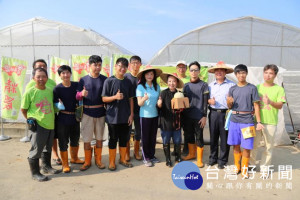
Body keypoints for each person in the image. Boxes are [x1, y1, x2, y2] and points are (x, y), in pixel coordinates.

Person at [21, 67, 60, 182]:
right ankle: (35, 173)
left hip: (50, 124)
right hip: (38, 125)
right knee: (36, 150)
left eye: (43, 76)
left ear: (47, 78)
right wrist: (30, 121)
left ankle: (46, 167)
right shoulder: (30, 92)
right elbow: (23, 109)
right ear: (33, 78)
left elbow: (52, 105)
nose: (41, 79)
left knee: (47, 148)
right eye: (38, 77)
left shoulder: (49, 90)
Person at [227, 64, 264, 178]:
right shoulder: (232, 88)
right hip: (234, 120)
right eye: (239, 73)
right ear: (235, 74)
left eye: (243, 72)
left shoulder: (252, 88)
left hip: (247, 121)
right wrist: (229, 102)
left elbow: (256, 105)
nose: (241, 75)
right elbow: (229, 106)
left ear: (246, 74)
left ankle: (244, 169)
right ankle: (237, 167)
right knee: (236, 145)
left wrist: (258, 122)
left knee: (247, 146)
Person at [250, 64, 286, 173]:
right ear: (263, 74)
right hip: (256, 122)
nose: (268, 75)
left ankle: (264, 168)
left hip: (271, 123)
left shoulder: (279, 89)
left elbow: (280, 105)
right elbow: (252, 104)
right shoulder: (257, 87)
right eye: (266, 73)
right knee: (253, 145)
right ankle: (251, 166)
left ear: (275, 75)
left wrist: (270, 102)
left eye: (271, 73)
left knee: (268, 147)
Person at [102, 57, 134, 170]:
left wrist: (131, 114)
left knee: (124, 138)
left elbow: (131, 99)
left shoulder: (128, 82)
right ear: (115, 66)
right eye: (120, 66)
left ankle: (123, 159)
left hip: (125, 116)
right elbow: (104, 99)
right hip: (112, 116)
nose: (122, 68)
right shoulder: (109, 81)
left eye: (125, 66)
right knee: (113, 139)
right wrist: (115, 97)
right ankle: (111, 162)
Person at [76, 55, 107, 171]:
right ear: (89, 66)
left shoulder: (104, 79)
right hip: (87, 113)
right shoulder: (83, 80)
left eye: (99, 65)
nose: (97, 67)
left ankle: (98, 160)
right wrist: (81, 94)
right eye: (95, 65)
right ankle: (87, 161)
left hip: (100, 112)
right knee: (87, 139)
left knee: (99, 138)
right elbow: (77, 96)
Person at [53, 65, 84, 173]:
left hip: (75, 117)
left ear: (71, 73)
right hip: (63, 118)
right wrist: (58, 105)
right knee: (63, 141)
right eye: (63, 73)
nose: (66, 75)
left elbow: (82, 92)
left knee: (75, 139)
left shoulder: (76, 85)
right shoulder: (57, 88)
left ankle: (74, 158)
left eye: (67, 72)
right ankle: (65, 164)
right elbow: (54, 103)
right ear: (60, 75)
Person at [207, 61, 235, 169]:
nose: (219, 72)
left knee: (224, 138)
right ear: (214, 73)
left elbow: (234, 102)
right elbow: (206, 100)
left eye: (221, 70)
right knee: (213, 137)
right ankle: (212, 158)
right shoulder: (210, 86)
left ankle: (222, 160)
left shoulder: (231, 85)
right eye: (217, 71)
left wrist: (230, 101)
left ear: (225, 72)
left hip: (226, 114)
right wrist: (209, 101)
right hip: (213, 113)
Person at [182, 61, 209, 168]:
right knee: (188, 135)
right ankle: (191, 154)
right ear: (189, 71)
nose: (193, 72)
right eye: (192, 70)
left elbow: (206, 102)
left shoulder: (204, 85)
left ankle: (199, 159)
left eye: (196, 70)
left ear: (199, 71)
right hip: (187, 116)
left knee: (199, 137)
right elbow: (183, 100)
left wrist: (204, 116)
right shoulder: (186, 85)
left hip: (199, 116)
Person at [136, 68, 162, 167]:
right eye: (147, 74)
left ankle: (152, 155)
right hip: (144, 116)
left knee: (152, 137)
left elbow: (159, 100)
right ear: (144, 76)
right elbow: (139, 103)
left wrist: (160, 103)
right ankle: (146, 157)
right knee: (145, 137)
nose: (149, 76)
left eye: (151, 74)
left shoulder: (157, 87)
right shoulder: (140, 87)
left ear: (154, 76)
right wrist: (144, 98)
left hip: (155, 115)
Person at [157, 73, 184, 167]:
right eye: (169, 81)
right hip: (166, 122)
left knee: (177, 141)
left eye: (174, 81)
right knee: (166, 141)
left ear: (176, 83)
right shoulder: (163, 93)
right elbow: (159, 107)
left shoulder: (180, 94)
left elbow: (183, 109)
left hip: (177, 122)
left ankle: (177, 157)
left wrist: (182, 108)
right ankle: (168, 159)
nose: (171, 83)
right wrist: (159, 104)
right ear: (167, 82)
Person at [124, 55, 143, 161]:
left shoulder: (142, 77)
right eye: (133, 63)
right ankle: (126, 153)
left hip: (140, 110)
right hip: (128, 110)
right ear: (130, 65)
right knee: (127, 131)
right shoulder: (126, 77)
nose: (135, 65)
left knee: (138, 132)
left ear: (140, 64)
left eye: (137, 63)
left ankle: (136, 152)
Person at [174, 60, 190, 156]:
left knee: (186, 130)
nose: (181, 69)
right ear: (177, 69)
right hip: (175, 111)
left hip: (186, 110)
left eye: (183, 67)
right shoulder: (174, 79)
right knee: (176, 130)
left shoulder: (189, 80)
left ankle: (186, 148)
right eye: (179, 67)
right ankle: (176, 148)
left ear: (186, 68)